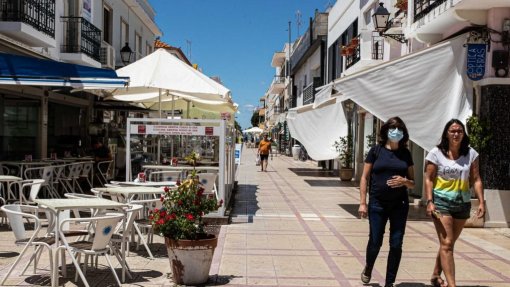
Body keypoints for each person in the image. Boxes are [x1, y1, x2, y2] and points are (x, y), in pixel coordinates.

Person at [425, 119, 485, 287]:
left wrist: (481, 202)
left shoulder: (471, 153)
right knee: (447, 244)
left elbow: (476, 178)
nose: (456, 134)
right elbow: (429, 179)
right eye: (453, 131)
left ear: (463, 133)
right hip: (441, 202)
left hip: (462, 203)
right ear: (446, 133)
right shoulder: (435, 153)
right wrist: (429, 201)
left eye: (459, 131)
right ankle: (452, 285)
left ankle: (436, 275)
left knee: (448, 243)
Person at [358, 116, 415, 287]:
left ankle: (389, 282)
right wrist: (362, 202)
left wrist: (404, 182)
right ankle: (368, 267)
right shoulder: (376, 151)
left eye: (399, 129)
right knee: (375, 241)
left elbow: (413, 183)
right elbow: (364, 177)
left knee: (396, 244)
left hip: (400, 205)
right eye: (393, 128)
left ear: (403, 133)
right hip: (377, 203)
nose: (396, 132)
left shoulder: (406, 154)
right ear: (386, 131)